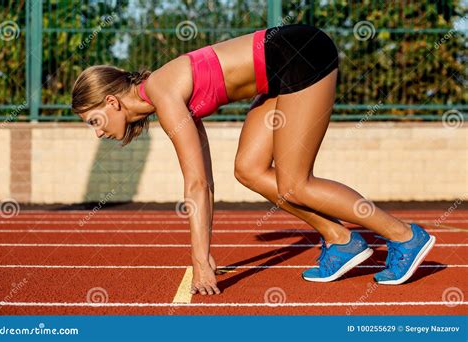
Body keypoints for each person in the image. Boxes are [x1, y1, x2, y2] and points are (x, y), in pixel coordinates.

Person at [71, 24, 435, 295]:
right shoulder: (164, 96)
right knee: (249, 169)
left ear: (112, 103)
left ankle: (405, 237)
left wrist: (200, 260)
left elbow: (195, 184)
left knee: (296, 183)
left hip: (300, 54)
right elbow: (204, 181)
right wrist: (203, 251)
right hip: (278, 74)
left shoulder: (164, 93)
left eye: (94, 121)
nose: (98, 132)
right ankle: (340, 239)